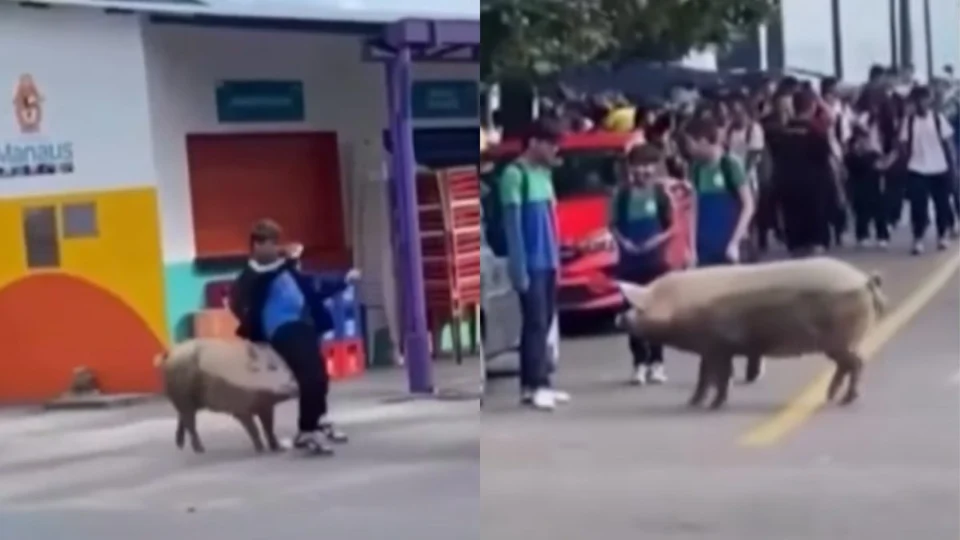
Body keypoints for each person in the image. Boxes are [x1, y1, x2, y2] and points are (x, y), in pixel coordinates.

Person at [229, 220, 355, 456]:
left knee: (319, 375)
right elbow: (239, 301)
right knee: (309, 374)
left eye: (276, 242)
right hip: (281, 328)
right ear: (256, 245)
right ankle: (306, 430)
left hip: (303, 323)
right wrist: (251, 324)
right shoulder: (251, 276)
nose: (275, 248)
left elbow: (312, 286)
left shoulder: (284, 267)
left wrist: (343, 280)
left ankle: (317, 420)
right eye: (270, 243)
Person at [499, 118, 570, 411]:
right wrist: (519, 268)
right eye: (550, 143)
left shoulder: (544, 175)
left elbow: (552, 221)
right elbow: (512, 226)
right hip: (531, 262)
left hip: (548, 260)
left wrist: (558, 260)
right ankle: (534, 385)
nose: (555, 149)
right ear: (534, 143)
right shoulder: (514, 175)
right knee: (535, 324)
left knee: (545, 322)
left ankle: (540, 382)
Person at [685, 117, 763, 383]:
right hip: (707, 245)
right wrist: (691, 246)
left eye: (692, 143)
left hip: (731, 245)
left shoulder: (730, 165)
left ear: (705, 141)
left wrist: (734, 242)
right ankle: (721, 363)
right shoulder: (695, 169)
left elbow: (748, 205)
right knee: (711, 310)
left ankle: (754, 354)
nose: (690, 149)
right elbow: (693, 208)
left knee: (739, 309)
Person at [609, 145, 676, 385]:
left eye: (649, 165)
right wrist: (624, 242)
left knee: (656, 314)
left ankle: (658, 363)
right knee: (633, 316)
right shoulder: (622, 195)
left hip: (655, 262)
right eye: (639, 165)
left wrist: (654, 242)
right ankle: (639, 363)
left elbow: (671, 226)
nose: (644, 170)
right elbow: (613, 225)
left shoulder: (660, 194)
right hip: (629, 264)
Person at [766, 90, 837, 256]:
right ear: (812, 106)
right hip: (814, 189)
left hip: (788, 187)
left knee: (796, 237)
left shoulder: (782, 132)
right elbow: (824, 156)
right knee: (816, 239)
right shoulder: (816, 131)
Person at [899, 86, 957, 254]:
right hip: (916, 168)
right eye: (921, 100)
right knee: (918, 206)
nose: (924, 103)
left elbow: (948, 144)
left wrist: (953, 166)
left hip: (939, 167)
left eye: (927, 99)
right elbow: (902, 144)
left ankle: (942, 235)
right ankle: (918, 238)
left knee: (942, 204)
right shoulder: (909, 122)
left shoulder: (938, 119)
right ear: (915, 102)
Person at [845, 126, 892, 248]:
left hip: (874, 188)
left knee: (880, 214)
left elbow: (882, 166)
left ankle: (881, 236)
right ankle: (862, 236)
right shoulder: (851, 157)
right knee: (862, 213)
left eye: (865, 140)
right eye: (859, 141)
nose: (863, 143)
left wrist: (892, 157)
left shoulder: (873, 154)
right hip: (859, 189)